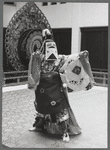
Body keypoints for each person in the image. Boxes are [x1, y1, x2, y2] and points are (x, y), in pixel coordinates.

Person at [28, 28, 94, 142]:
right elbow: (33, 63)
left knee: (60, 109)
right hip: (42, 87)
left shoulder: (59, 58)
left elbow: (71, 59)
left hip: (55, 87)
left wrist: (81, 55)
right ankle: (39, 126)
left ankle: (65, 132)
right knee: (41, 108)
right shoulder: (39, 57)